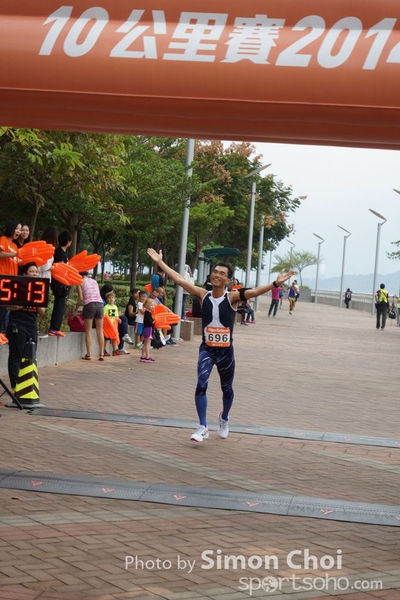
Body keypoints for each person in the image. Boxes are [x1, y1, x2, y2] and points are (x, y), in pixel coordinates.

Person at [147, 247, 294, 442]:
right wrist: (160, 263)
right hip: (207, 350)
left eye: (222, 273)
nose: (217, 275)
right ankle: (202, 427)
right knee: (201, 384)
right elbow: (180, 280)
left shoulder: (232, 297)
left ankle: (224, 417)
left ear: (228, 280)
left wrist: (275, 283)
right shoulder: (203, 294)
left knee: (227, 389)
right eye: (215, 272)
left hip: (226, 353)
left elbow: (254, 292)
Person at [6, 262, 45, 392]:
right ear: (24, 274)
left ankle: (26, 387)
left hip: (32, 325)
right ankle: (15, 387)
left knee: (30, 355)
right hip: (18, 324)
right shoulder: (17, 287)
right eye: (31, 271)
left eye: (36, 271)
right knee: (16, 355)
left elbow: (42, 312)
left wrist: (36, 301)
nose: (35, 274)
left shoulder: (40, 289)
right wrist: (20, 305)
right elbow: (8, 307)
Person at [74, 272, 105, 360]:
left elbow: (80, 298)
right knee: (100, 331)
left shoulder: (79, 281)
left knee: (88, 331)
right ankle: (101, 354)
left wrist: (75, 309)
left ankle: (88, 354)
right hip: (100, 304)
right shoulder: (94, 281)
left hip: (89, 305)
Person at [48, 230, 72, 337]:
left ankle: (55, 327)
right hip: (59, 284)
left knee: (60, 305)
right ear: (68, 242)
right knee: (59, 305)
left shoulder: (59, 252)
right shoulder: (61, 253)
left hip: (59, 283)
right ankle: (54, 328)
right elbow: (61, 269)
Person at [0, 221, 22, 332]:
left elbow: (17, 261)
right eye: (17, 228)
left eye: (20, 229)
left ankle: (3, 332)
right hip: (2, 277)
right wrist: (15, 254)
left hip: (12, 279)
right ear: (11, 228)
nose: (19, 231)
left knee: (6, 308)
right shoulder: (3, 239)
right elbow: (0, 254)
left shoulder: (15, 246)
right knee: (1, 306)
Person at [103, 291, 123, 356]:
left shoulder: (115, 307)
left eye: (112, 297)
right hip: (107, 326)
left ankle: (114, 350)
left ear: (114, 299)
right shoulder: (106, 307)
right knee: (106, 338)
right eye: (109, 298)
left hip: (113, 326)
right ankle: (103, 350)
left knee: (114, 337)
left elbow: (116, 316)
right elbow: (104, 316)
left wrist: (119, 319)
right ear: (107, 300)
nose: (111, 299)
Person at [140, 298, 156, 363]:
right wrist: (154, 321)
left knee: (145, 343)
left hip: (146, 328)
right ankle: (147, 356)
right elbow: (149, 322)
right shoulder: (148, 313)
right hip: (149, 329)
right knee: (147, 344)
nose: (152, 307)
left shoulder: (147, 312)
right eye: (151, 305)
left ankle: (143, 356)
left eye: (153, 305)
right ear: (147, 305)